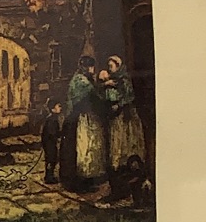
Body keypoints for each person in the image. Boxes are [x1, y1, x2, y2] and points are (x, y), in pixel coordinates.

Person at [59, 53, 109, 193]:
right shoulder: (80, 81)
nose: (93, 70)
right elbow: (91, 93)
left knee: (86, 148)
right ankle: (77, 183)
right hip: (77, 119)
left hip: (83, 117)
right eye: (91, 67)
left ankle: (85, 180)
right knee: (80, 149)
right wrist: (104, 85)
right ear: (85, 67)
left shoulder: (84, 79)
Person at [104, 53, 145, 182]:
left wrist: (119, 105)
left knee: (128, 139)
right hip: (116, 115)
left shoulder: (124, 79)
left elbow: (129, 96)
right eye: (108, 66)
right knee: (117, 139)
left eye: (111, 66)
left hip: (126, 114)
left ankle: (130, 166)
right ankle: (118, 167)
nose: (109, 69)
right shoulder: (111, 79)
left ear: (118, 66)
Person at [39, 97, 62, 185]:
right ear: (53, 109)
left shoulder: (53, 118)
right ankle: (49, 177)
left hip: (50, 143)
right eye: (58, 106)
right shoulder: (52, 119)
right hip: (49, 143)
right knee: (51, 159)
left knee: (52, 159)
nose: (60, 108)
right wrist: (60, 134)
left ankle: (50, 175)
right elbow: (52, 133)